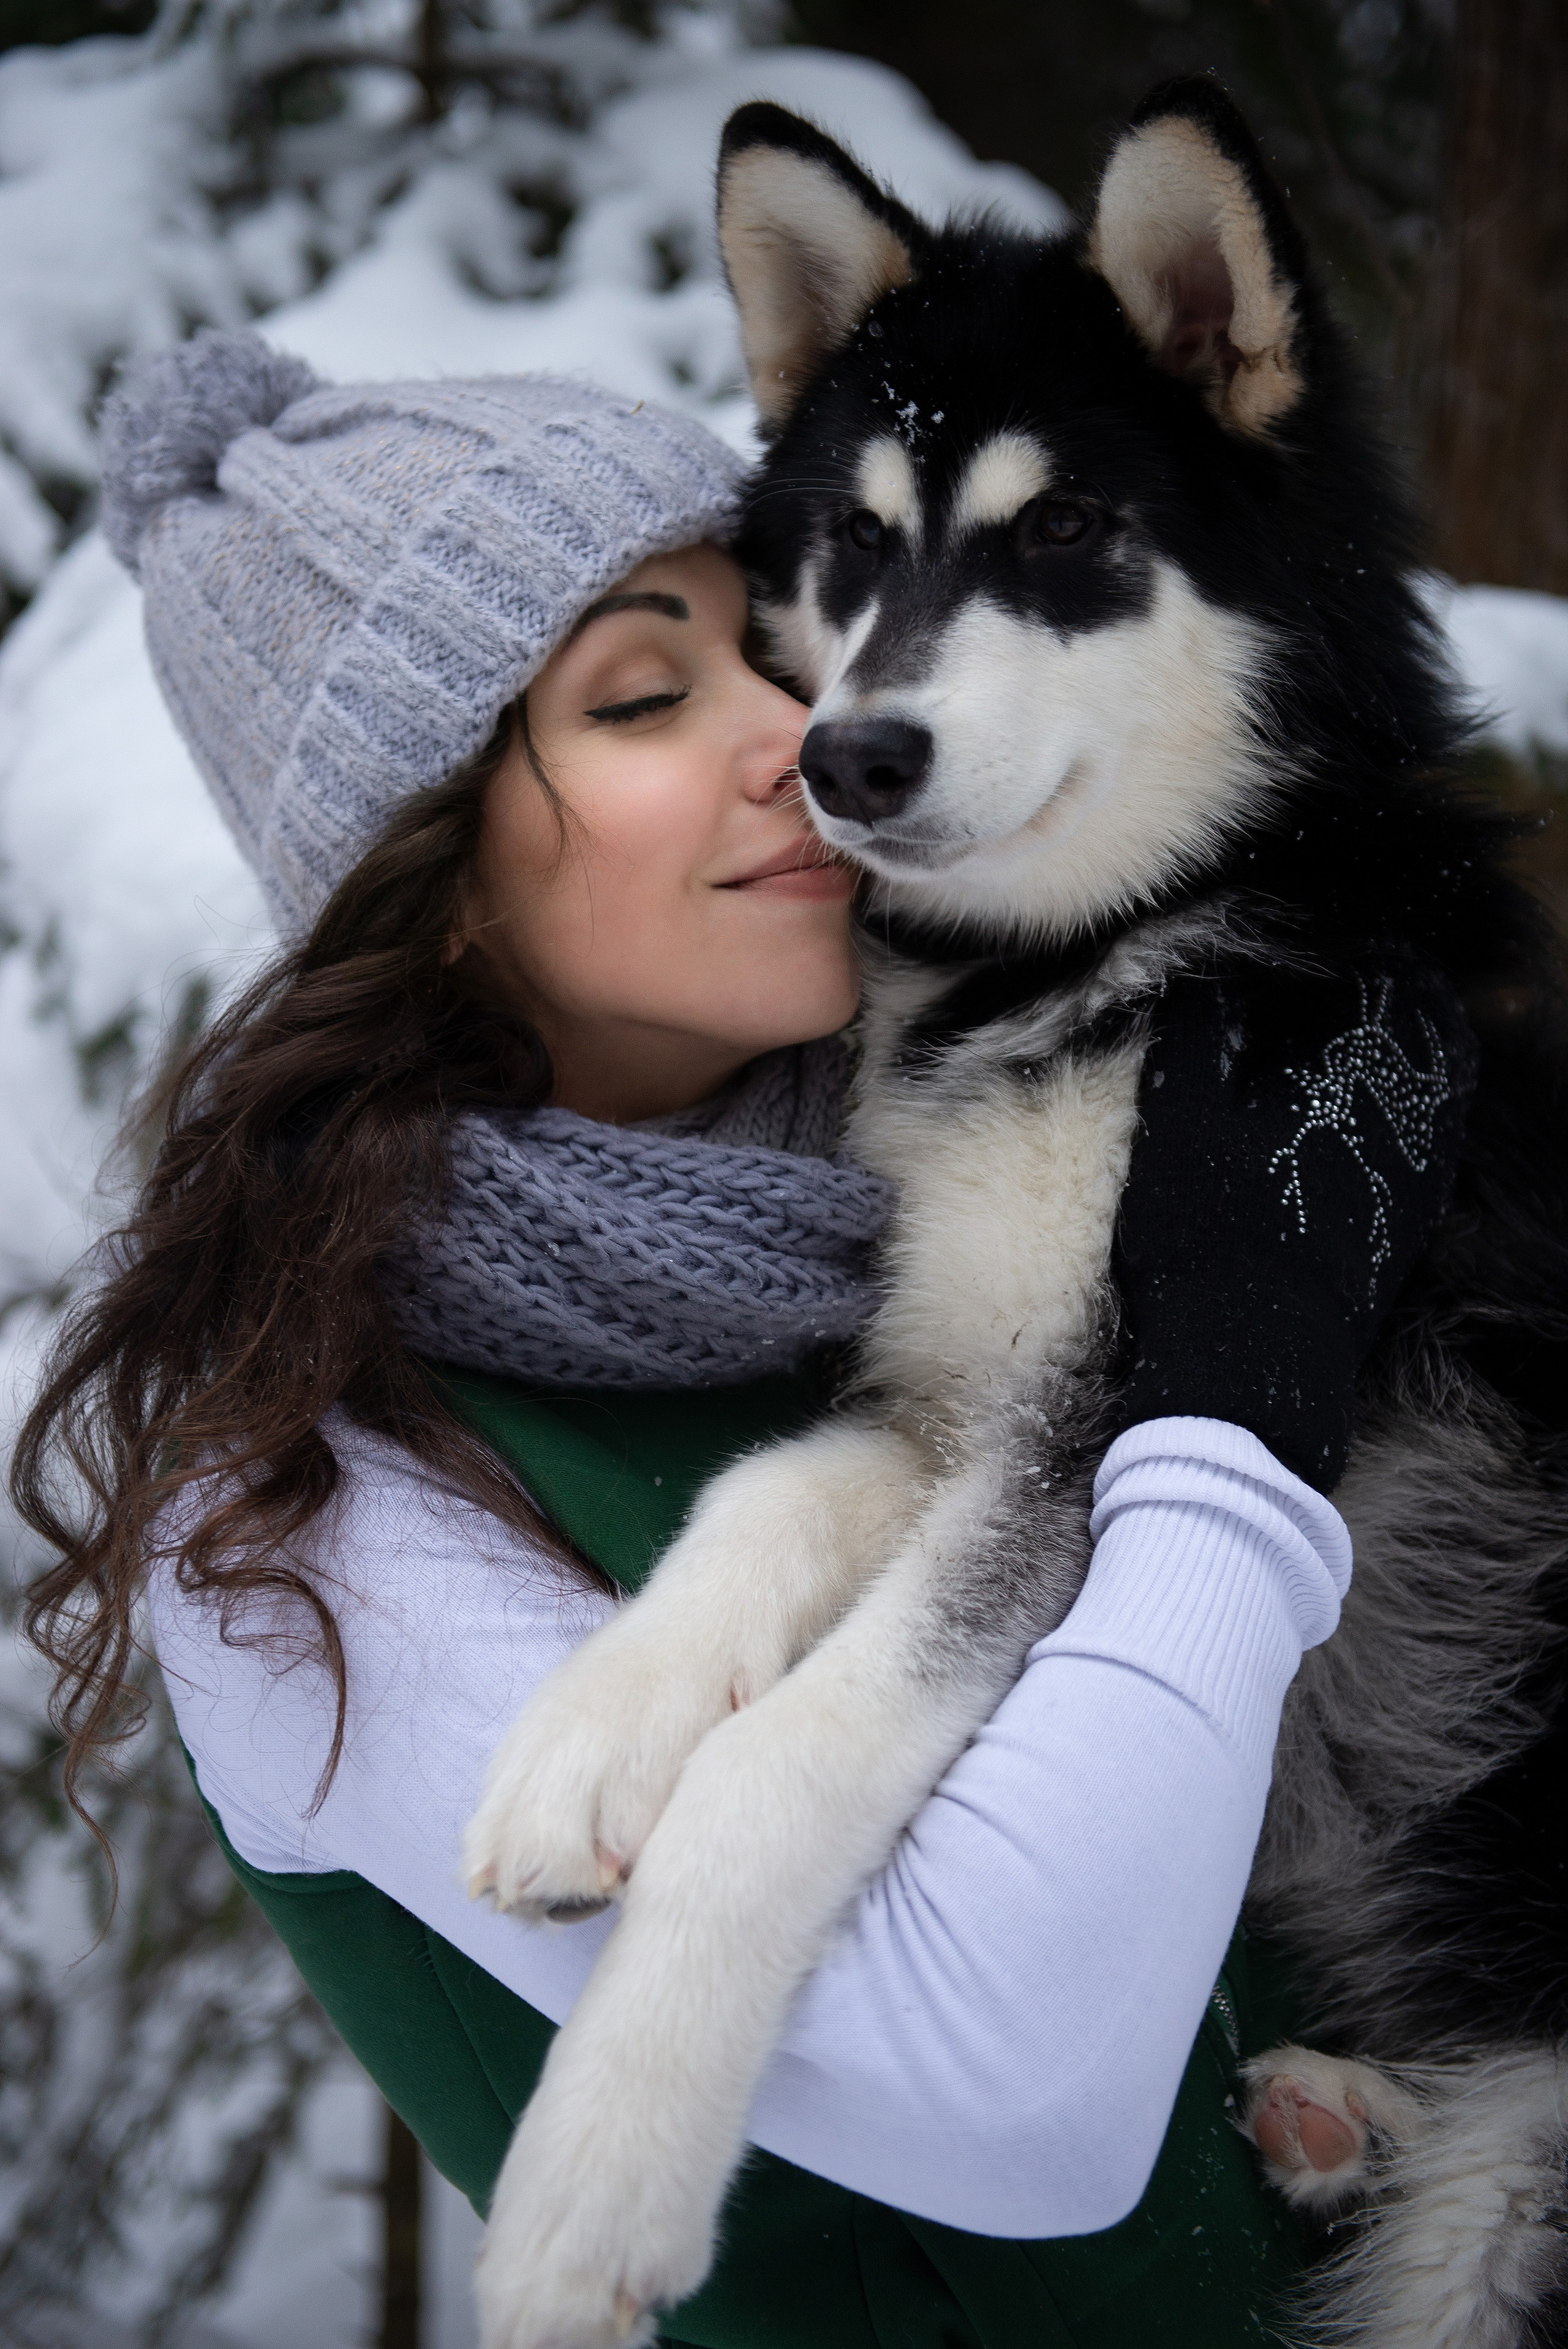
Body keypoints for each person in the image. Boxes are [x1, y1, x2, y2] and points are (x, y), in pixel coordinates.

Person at [13, 333, 1463, 2348]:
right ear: (424, 886)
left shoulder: (911, 1172)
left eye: (783, 645)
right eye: (638, 694)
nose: (812, 726)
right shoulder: (298, 1493)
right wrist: (1237, 1399)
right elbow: (1012, 2083)